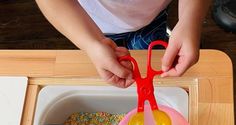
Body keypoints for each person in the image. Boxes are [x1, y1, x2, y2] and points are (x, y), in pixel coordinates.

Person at [36, 0, 211, 88]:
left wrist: (190, 19)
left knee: (153, 70)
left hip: (153, 17)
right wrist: (92, 43)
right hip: (89, 25)